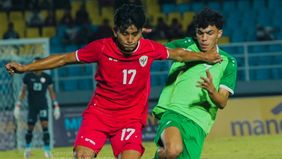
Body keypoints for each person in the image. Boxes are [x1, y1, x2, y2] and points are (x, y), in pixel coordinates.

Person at [6, 4, 221, 159]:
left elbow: (180, 54)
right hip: (99, 115)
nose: (129, 39)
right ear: (115, 31)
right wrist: (26, 67)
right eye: (125, 34)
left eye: (134, 34)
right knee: (81, 156)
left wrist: (206, 57)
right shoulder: (101, 48)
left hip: (130, 118)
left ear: (140, 33)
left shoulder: (149, 48)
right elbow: (64, 59)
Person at [152, 8, 237, 159]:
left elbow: (223, 102)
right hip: (174, 111)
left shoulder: (228, 62)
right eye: (200, 33)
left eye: (209, 33)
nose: (204, 38)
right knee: (173, 150)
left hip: (199, 123)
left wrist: (212, 91)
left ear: (219, 34)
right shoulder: (185, 45)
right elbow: (155, 52)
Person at [13, 57, 61, 159]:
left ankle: (47, 150)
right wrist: (18, 105)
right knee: (30, 127)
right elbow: (23, 91)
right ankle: (27, 149)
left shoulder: (47, 77)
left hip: (43, 105)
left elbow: (51, 91)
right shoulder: (28, 77)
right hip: (32, 106)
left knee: (45, 126)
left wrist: (56, 105)